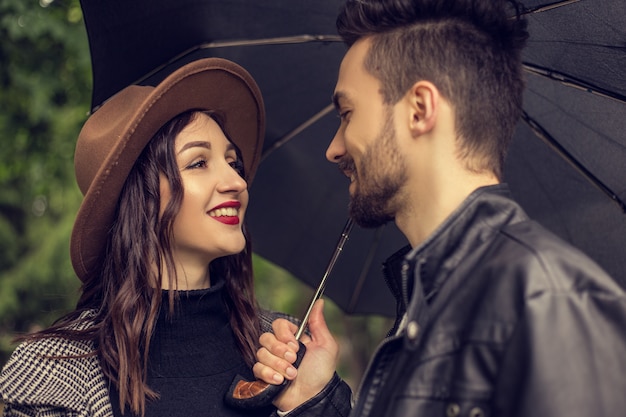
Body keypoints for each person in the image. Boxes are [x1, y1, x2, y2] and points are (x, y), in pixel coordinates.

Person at [252, 1, 626, 416]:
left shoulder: (545, 303)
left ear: (419, 109)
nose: (333, 148)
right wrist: (315, 400)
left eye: (347, 113)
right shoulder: (424, 301)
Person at [0, 57, 295, 416]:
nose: (237, 182)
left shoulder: (282, 348)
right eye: (198, 163)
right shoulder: (53, 374)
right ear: (140, 198)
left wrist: (317, 402)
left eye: (233, 163)